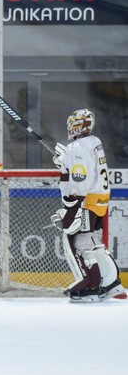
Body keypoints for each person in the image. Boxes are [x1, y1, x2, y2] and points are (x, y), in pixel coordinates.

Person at [51, 108, 126, 302]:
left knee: (82, 242)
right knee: (93, 241)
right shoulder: (94, 142)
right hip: (99, 198)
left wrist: (72, 202)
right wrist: (65, 162)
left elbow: (80, 177)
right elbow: (85, 168)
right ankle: (111, 284)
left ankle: (90, 287)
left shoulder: (76, 148)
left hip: (85, 200)